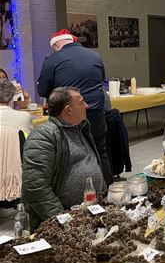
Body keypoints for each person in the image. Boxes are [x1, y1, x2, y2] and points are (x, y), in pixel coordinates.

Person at [21, 87, 107, 231]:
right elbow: (36, 186)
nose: (86, 106)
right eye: (81, 102)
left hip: (90, 214)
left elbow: (93, 162)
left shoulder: (81, 127)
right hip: (64, 223)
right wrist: (63, 219)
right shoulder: (42, 137)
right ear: (68, 110)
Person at [37, 29, 112, 185]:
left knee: (72, 154)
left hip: (70, 115)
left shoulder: (52, 59)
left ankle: (79, 191)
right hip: (97, 111)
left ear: (57, 44)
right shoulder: (94, 55)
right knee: (100, 150)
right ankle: (107, 188)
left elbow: (43, 90)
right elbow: (102, 79)